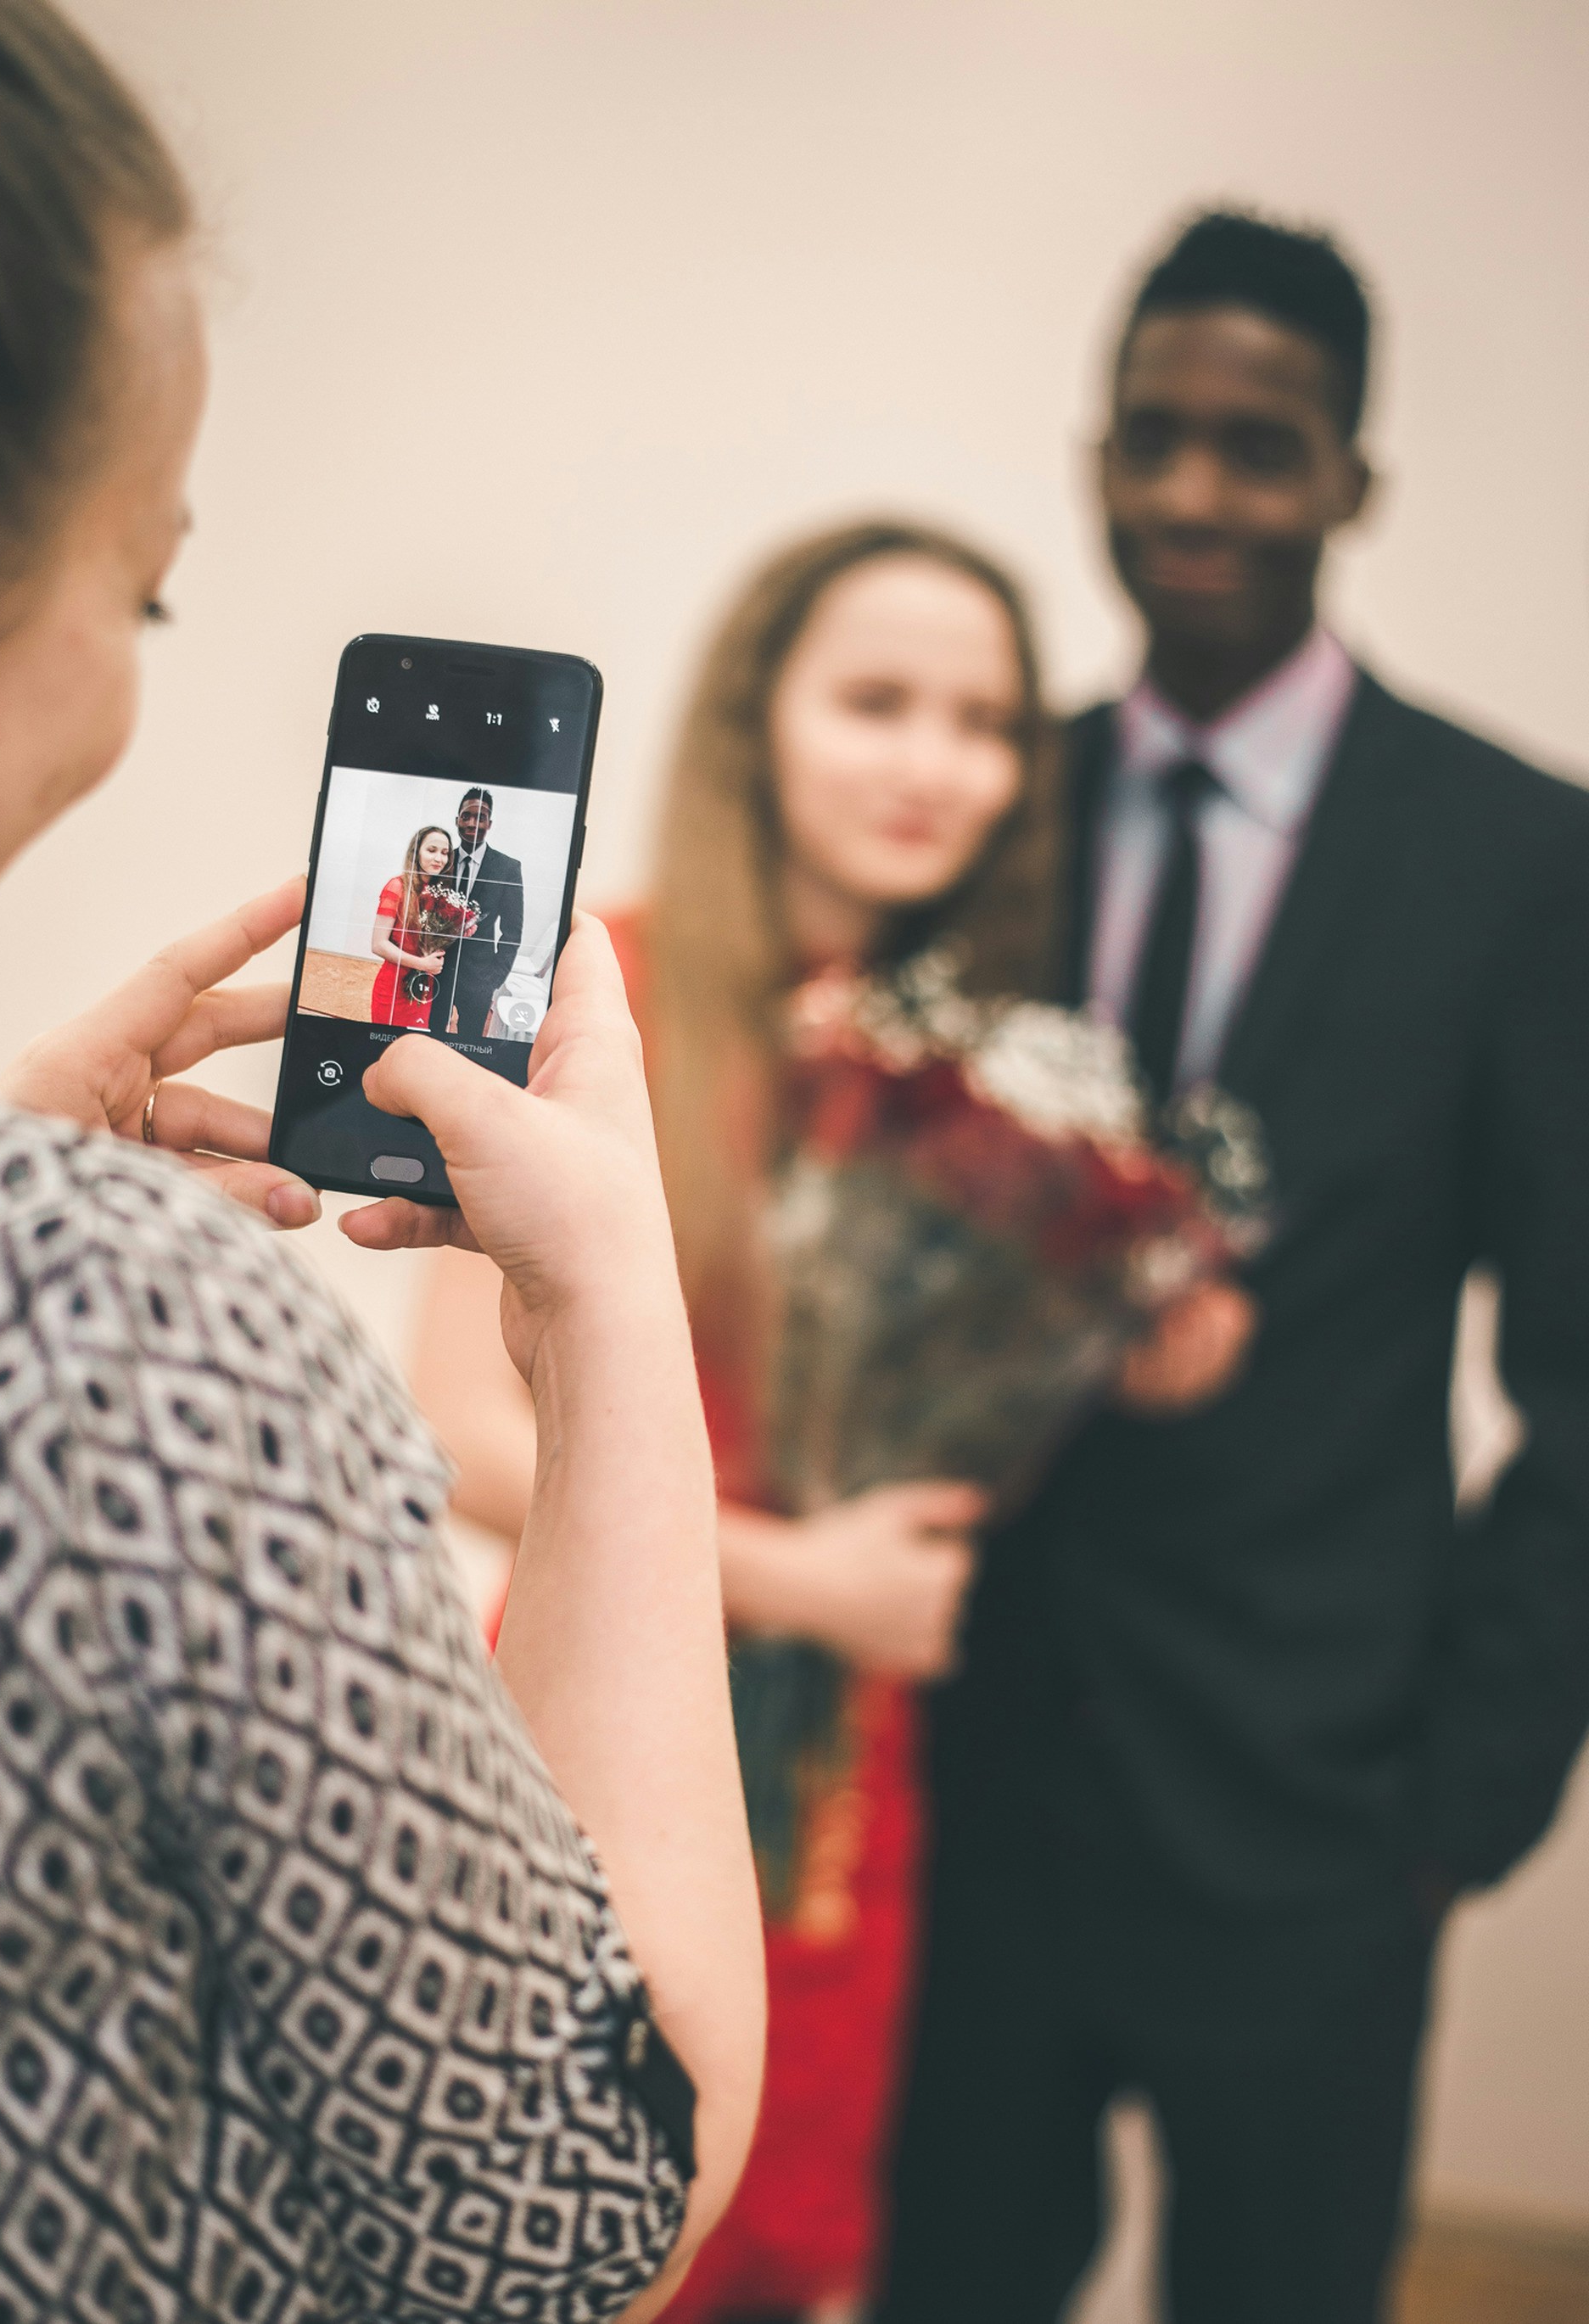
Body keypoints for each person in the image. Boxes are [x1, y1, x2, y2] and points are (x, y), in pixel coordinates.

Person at [0, 7, 764, 2322]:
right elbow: (562, 2202)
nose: (135, 668)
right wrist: (608, 1324)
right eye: (139, 589)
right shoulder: (115, 1337)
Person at [881, 210, 1589, 2324]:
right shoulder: (991, 808)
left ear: (1354, 482)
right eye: (1152, 436)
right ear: (1094, 455)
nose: (1195, 494)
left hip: (1318, 1829)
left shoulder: (1528, 860)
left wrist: (1455, 1810)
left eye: (1259, 443)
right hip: (985, 1799)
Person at [403, 520, 1251, 2324]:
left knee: (787, 2243)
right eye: (876, 702)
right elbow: (459, 1422)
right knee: (561, 2225)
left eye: (984, 722)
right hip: (589, 1713)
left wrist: (1143, 1319)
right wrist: (804, 1581)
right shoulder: (584, 995)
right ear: (758, 718)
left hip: (855, 1792)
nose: (932, 765)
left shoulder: (994, 1086)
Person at [431, 785, 526, 1039]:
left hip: (480, 975)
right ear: (457, 820)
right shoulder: (441, 863)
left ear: (489, 824)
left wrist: (494, 979)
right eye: (466, 816)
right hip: (437, 971)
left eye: (480, 817)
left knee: (471, 1043)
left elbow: (513, 931)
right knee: (431, 1037)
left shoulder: (508, 869)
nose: (472, 822)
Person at [369, 820, 457, 1025]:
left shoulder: (439, 894)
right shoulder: (397, 887)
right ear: (416, 852)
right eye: (432, 850)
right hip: (393, 987)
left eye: (445, 853)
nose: (439, 858)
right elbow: (378, 944)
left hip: (424, 988)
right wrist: (422, 964)